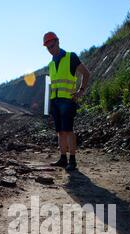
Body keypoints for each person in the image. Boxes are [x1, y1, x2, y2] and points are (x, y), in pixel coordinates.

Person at [43, 32, 90, 171]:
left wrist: (81, 90)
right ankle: (63, 158)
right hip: (56, 102)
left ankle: (73, 161)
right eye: (48, 47)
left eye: (52, 45)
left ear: (58, 42)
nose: (50, 49)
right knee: (60, 132)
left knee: (68, 130)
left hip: (68, 100)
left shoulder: (71, 57)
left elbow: (86, 73)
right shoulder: (51, 64)